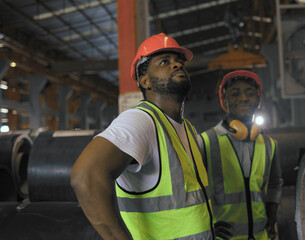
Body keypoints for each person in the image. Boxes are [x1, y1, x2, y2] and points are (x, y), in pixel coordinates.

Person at [71, 33, 223, 240]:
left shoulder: (188, 129)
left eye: (179, 62)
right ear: (145, 81)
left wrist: (210, 227)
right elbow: (85, 176)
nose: (177, 65)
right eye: (164, 62)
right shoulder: (140, 121)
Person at [199, 70, 283, 240]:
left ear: (258, 101)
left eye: (250, 93)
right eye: (235, 93)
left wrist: (272, 214)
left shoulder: (269, 144)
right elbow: (192, 190)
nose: (243, 98)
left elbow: (275, 184)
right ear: (224, 100)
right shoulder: (206, 142)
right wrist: (203, 226)